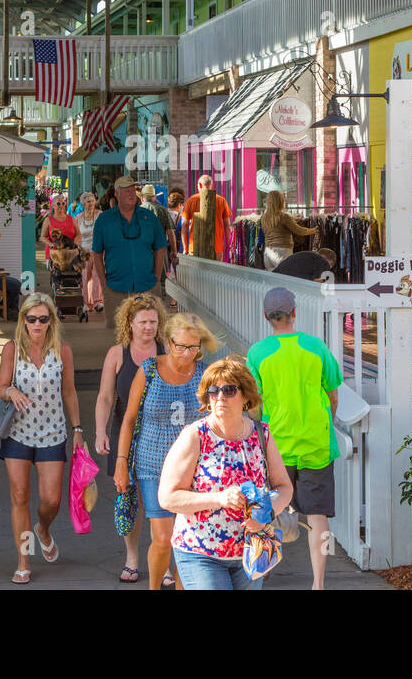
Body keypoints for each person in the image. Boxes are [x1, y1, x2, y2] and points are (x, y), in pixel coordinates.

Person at [159, 358, 293, 591]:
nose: (220, 396)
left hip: (251, 551)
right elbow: (168, 497)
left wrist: (266, 512)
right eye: (213, 390)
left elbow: (284, 487)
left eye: (229, 390)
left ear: (245, 396)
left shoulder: (261, 434)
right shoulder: (195, 435)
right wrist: (218, 498)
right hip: (200, 552)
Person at [247, 287, 342, 589]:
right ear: (294, 313)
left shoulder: (258, 353)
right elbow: (333, 393)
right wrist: (325, 420)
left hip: (276, 445)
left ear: (266, 317)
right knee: (319, 517)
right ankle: (318, 583)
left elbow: (254, 404)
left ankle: (262, 571)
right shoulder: (316, 347)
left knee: (266, 511)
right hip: (316, 444)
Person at [114, 312, 214, 590]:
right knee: (162, 538)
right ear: (168, 342)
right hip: (152, 465)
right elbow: (130, 418)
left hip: (195, 469)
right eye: (181, 346)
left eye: (193, 347)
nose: (186, 353)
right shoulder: (148, 370)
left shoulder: (205, 374)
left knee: (188, 539)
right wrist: (122, 462)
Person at [0, 293, 82, 584]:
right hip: (18, 433)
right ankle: (23, 560)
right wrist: (11, 391)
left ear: (51, 321)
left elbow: (68, 391)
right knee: (19, 496)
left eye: (43, 319)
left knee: (51, 499)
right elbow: (1, 386)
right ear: (23, 320)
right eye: (31, 318)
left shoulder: (63, 350)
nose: (36, 324)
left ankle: (43, 529)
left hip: (52, 431)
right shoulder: (12, 348)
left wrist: (78, 428)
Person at [94, 293, 167, 584]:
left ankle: (162, 560)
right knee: (129, 498)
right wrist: (100, 431)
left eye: (153, 321)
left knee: (161, 500)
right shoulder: (117, 353)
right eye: (143, 322)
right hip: (125, 430)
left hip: (161, 432)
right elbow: (105, 397)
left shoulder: (167, 351)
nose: (148, 327)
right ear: (130, 323)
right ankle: (133, 556)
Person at [91, 176, 168, 320]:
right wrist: (104, 284)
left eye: (133, 190)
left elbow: (160, 248)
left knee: (148, 331)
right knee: (119, 335)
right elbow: (96, 253)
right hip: (115, 287)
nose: (132, 194)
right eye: (126, 191)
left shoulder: (149, 217)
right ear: (116, 194)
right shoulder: (104, 220)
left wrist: (156, 278)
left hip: (147, 286)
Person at [260, 190, 318, 271]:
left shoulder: (263, 217)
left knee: (272, 280)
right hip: (282, 252)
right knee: (285, 278)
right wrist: (314, 230)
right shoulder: (284, 217)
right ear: (280, 201)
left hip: (268, 252)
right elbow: (299, 231)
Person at [181, 175, 232, 260]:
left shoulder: (191, 200)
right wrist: (227, 246)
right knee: (215, 272)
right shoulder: (221, 200)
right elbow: (227, 225)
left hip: (195, 247)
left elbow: (185, 225)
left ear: (200, 185)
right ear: (211, 185)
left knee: (197, 273)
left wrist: (185, 248)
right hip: (216, 247)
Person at [74, 192, 104, 312]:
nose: (91, 203)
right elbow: (76, 235)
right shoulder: (78, 217)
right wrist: (77, 248)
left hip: (98, 250)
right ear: (83, 204)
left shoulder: (100, 215)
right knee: (85, 277)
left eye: (92, 201)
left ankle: (98, 302)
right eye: (88, 201)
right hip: (84, 252)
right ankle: (85, 303)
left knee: (97, 277)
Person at [140, 185, 179, 273]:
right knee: (161, 281)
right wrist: (173, 251)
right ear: (154, 197)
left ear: (142, 198)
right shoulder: (163, 210)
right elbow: (170, 232)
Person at [40, 194, 78, 270]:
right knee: (57, 278)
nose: (61, 205)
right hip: (55, 254)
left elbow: (78, 234)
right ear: (53, 206)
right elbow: (42, 237)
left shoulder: (72, 219)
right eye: (58, 203)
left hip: (71, 253)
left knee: (73, 278)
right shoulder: (48, 220)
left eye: (63, 203)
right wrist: (52, 245)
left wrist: (74, 245)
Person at [167, 190, 185, 254]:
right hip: (175, 245)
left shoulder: (164, 212)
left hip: (164, 245)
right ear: (179, 205)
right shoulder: (180, 216)